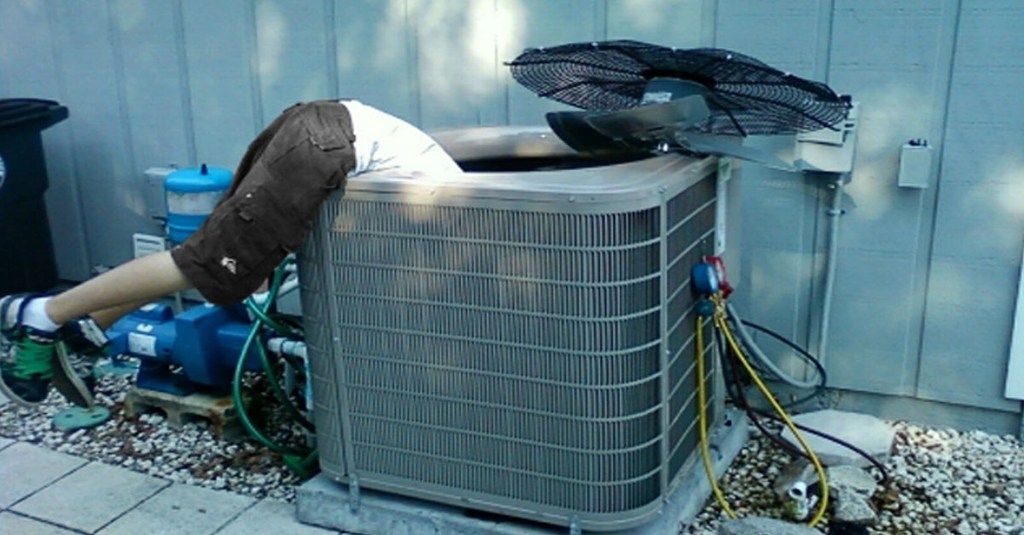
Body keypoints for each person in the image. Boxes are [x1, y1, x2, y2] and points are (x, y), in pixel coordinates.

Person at [0, 99, 462, 408]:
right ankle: (42, 311)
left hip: (326, 131)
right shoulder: (466, 229)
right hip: (330, 143)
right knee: (209, 265)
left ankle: (87, 330)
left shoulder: (451, 204)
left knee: (228, 266)